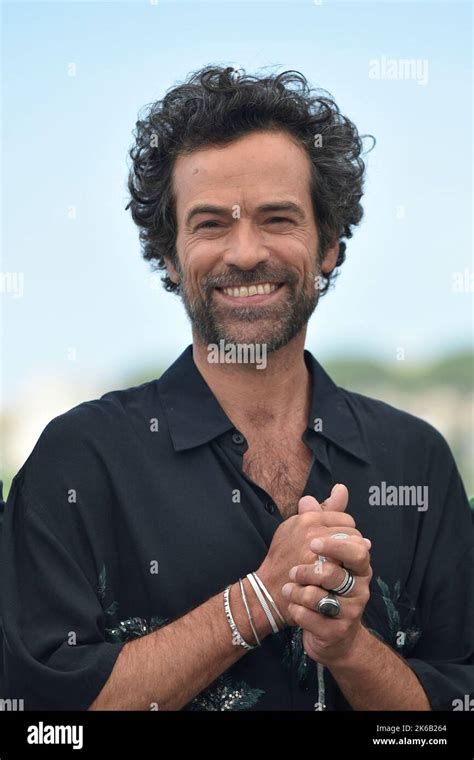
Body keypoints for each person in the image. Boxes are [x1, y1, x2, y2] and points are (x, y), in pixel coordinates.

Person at [1, 66, 472, 711]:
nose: (245, 253)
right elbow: (43, 722)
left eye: (278, 218)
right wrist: (257, 600)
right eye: (211, 225)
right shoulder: (79, 460)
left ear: (329, 244)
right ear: (169, 254)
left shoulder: (417, 460)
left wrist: (350, 648)